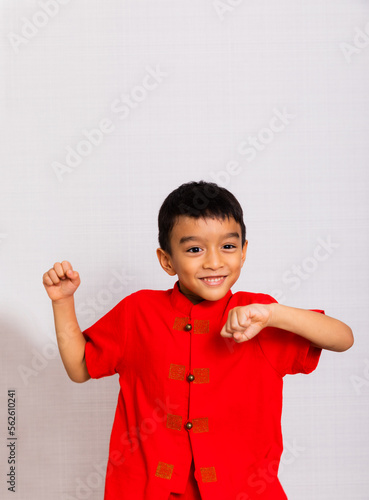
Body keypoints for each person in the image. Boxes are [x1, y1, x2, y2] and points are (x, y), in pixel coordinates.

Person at [43, 181, 353, 500]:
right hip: (147, 490)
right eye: (194, 249)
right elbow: (80, 367)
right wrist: (62, 303)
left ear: (244, 252)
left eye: (228, 247)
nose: (213, 262)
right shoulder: (138, 312)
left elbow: (343, 338)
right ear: (167, 260)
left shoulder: (258, 314)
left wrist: (274, 314)